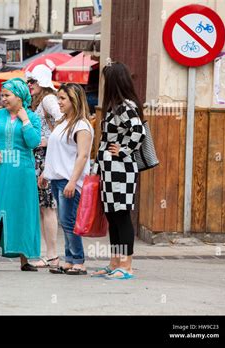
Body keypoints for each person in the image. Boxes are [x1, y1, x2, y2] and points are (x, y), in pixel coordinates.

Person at [91, 61, 146, 280]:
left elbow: (139, 132)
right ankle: (115, 262)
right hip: (109, 169)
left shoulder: (125, 106)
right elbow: (105, 140)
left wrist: (122, 150)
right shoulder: (116, 106)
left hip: (121, 170)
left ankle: (127, 265)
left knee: (121, 216)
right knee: (113, 217)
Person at [0, 78, 42, 272]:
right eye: (2, 95)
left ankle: (25, 260)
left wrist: (24, 120)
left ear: (19, 96)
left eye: (7, 95)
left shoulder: (32, 118)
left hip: (21, 173)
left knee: (22, 210)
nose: (3, 99)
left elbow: (33, 143)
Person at [42, 83, 93, 275]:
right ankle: (69, 259)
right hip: (56, 178)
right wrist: (46, 173)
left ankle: (78, 260)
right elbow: (55, 151)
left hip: (70, 180)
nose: (59, 102)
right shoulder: (62, 122)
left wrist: (73, 181)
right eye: (59, 98)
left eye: (63, 98)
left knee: (69, 220)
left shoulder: (82, 125)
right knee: (65, 220)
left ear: (74, 100)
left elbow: (82, 155)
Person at [26, 64, 63, 269]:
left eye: (32, 81)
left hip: (46, 158)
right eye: (29, 82)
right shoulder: (41, 100)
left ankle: (52, 255)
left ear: (42, 82)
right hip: (41, 157)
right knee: (44, 207)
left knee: (48, 207)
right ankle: (49, 255)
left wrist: (50, 140)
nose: (29, 85)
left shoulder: (48, 99)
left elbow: (63, 119)